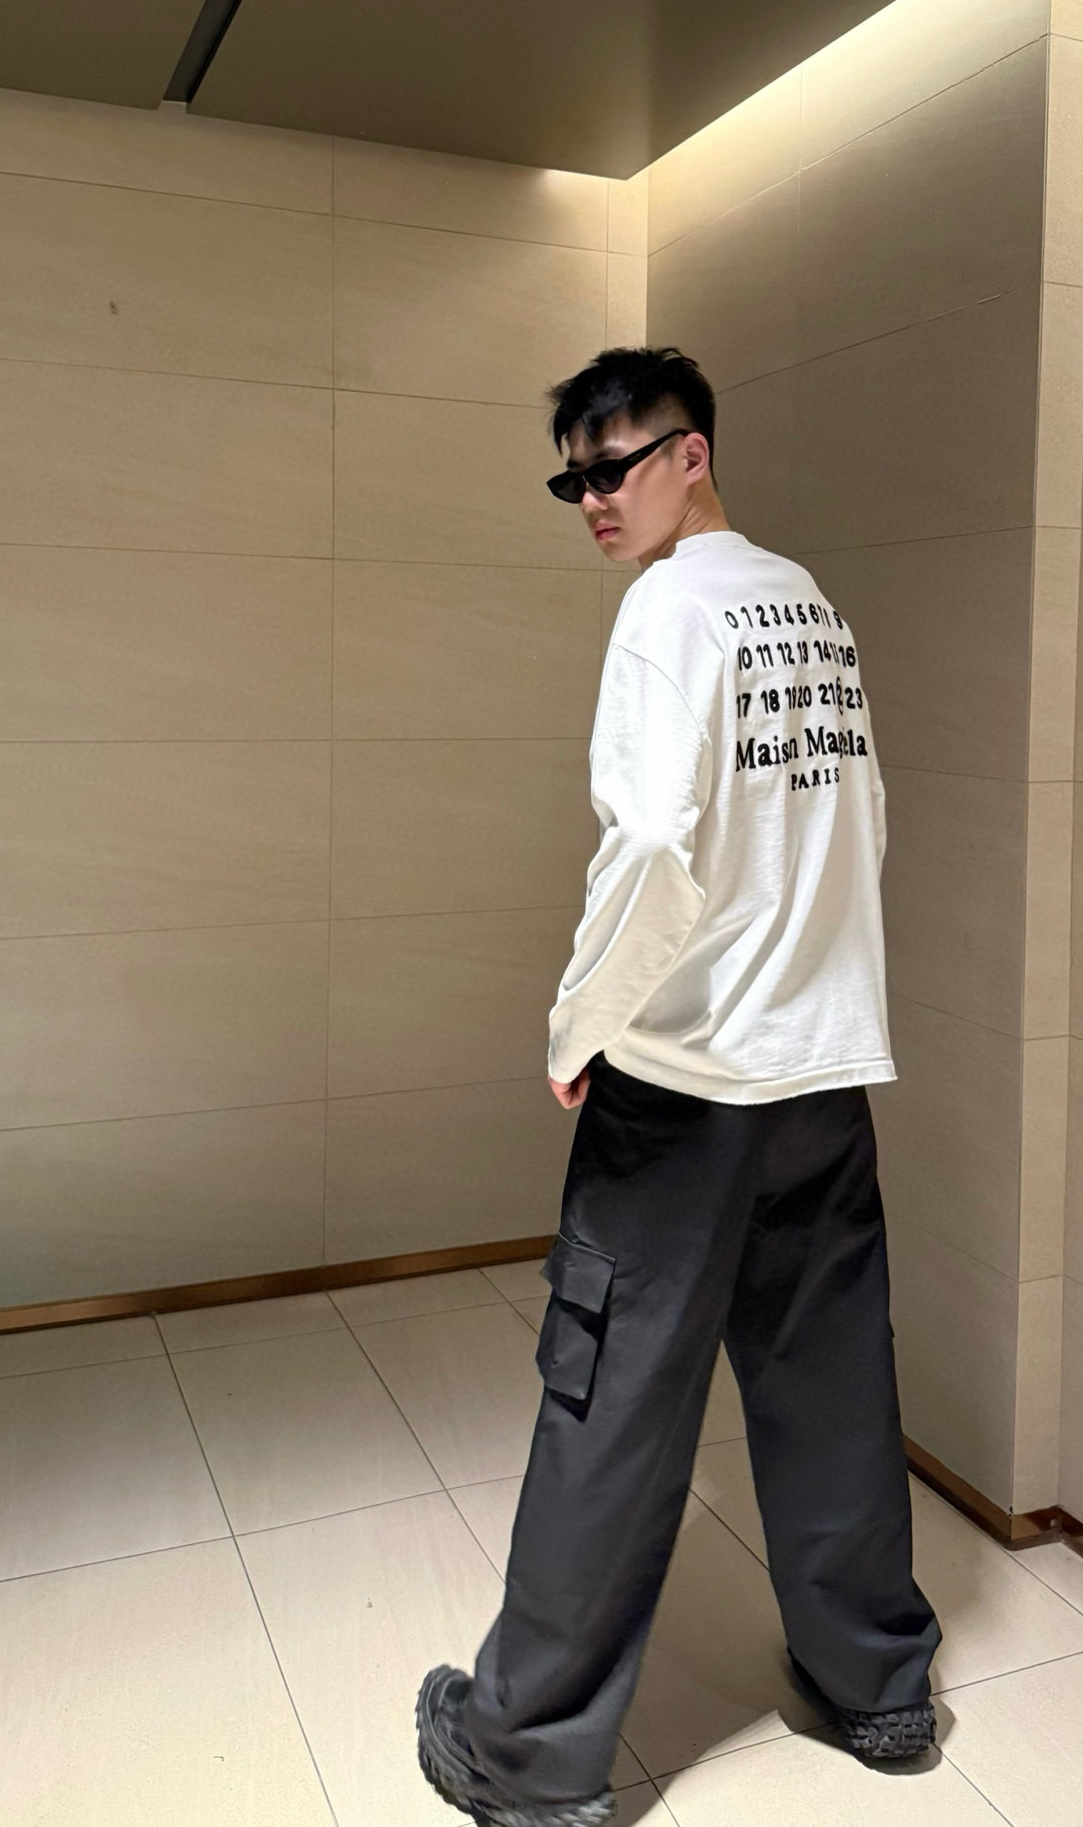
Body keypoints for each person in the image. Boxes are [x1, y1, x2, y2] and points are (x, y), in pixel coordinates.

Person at [416, 346, 941, 1827]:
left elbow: (652, 845)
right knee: (830, 1377)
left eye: (615, 465)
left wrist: (579, 1024)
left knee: (613, 1399)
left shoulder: (667, 613)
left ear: (691, 453)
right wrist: (817, 990)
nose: (594, 497)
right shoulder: (807, 603)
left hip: (689, 1082)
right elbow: (857, 818)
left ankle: (525, 1755)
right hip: (821, 1066)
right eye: (573, 478)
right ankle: (879, 1684)